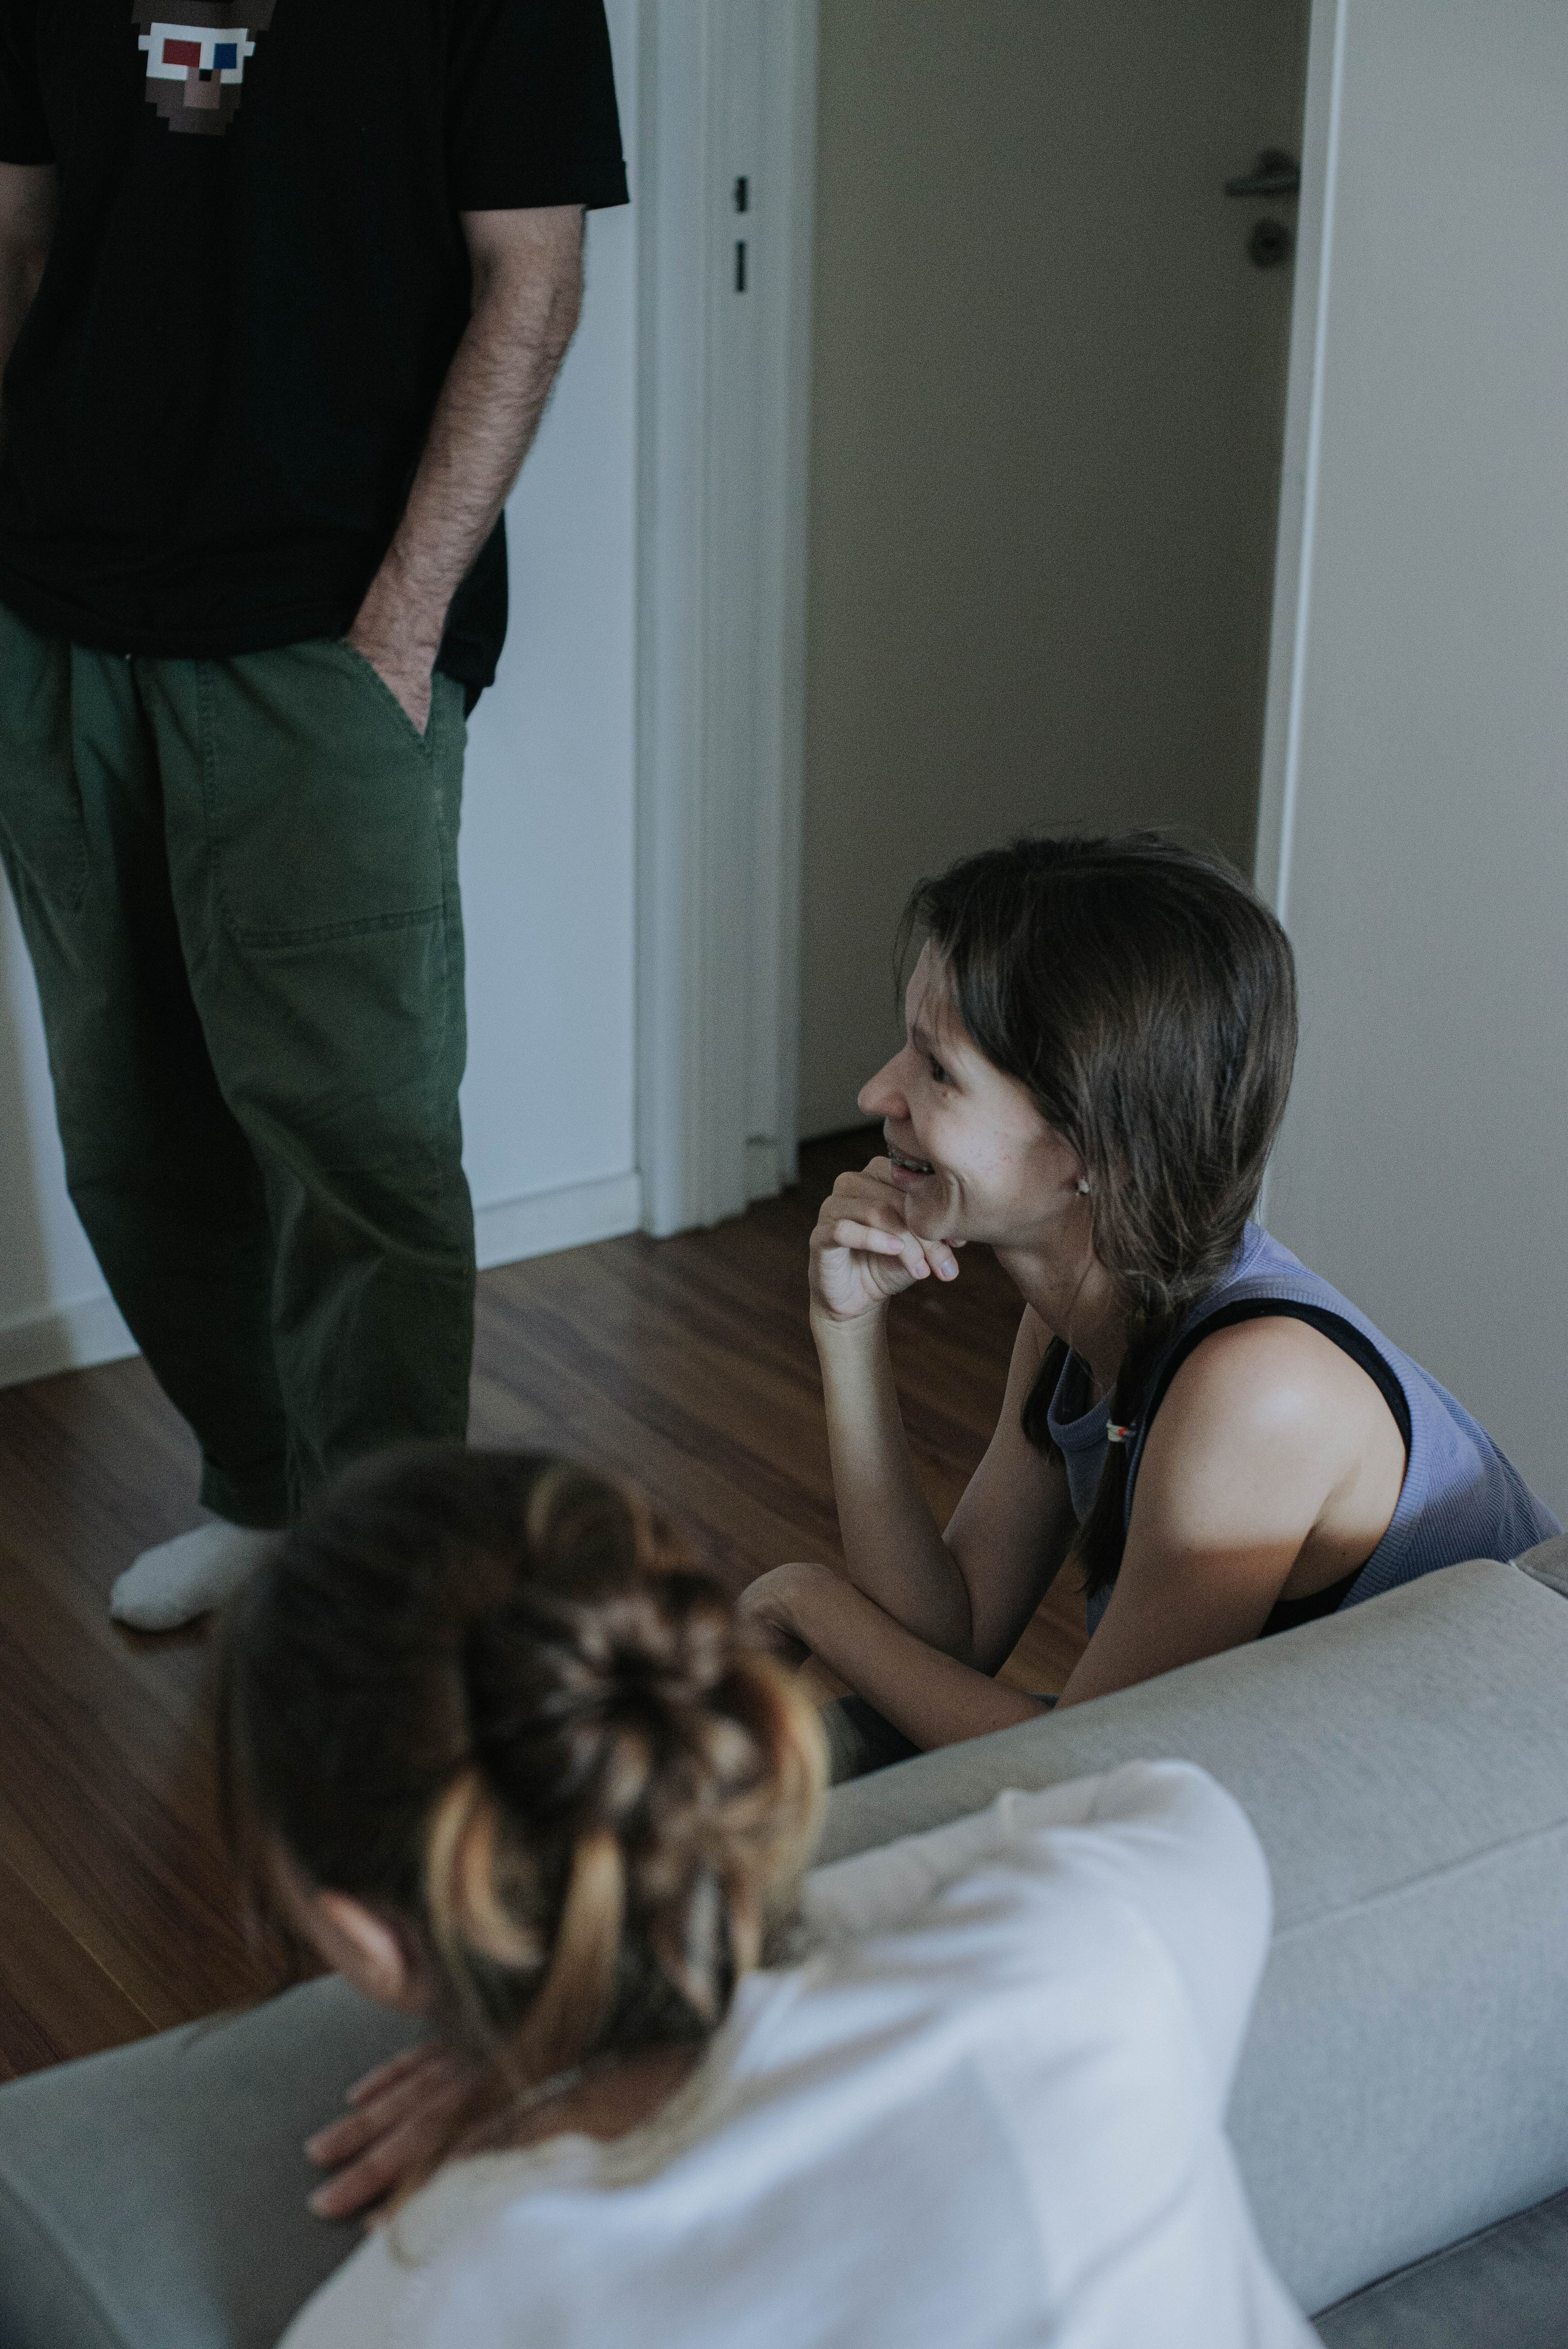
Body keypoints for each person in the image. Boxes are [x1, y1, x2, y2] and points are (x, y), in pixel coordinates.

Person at [0, 1, 627, 1629]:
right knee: (131, 1120)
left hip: (324, 630)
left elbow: (531, 283)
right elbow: (18, 229)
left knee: (359, 1137)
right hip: (57, 614)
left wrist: (401, 629)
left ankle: (386, 1570)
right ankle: (265, 1492)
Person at [218, 1442, 1316, 2349]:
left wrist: (562, 2023)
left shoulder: (427, 2309)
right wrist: (693, 1934)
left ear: (369, 1940)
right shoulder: (1081, 1951)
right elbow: (1172, 1803)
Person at [738, 834, 1560, 1778]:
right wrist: (846, 1333)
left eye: (938, 1071)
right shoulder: (1077, 1314)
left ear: (1093, 1137)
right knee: (809, 1775)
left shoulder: (1257, 1389)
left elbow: (1090, 1767)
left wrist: (801, 1598)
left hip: (1485, 1822)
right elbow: (954, 1630)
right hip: (1297, 1762)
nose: (877, 1092)